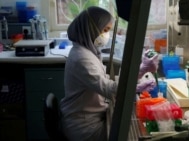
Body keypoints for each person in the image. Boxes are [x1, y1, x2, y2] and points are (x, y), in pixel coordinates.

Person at [60, 6, 159, 141]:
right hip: (85, 127)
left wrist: (138, 78)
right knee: (132, 132)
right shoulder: (82, 58)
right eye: (105, 30)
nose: (106, 35)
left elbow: (105, 80)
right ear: (91, 28)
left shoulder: (87, 51)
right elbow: (110, 89)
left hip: (91, 116)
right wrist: (140, 71)